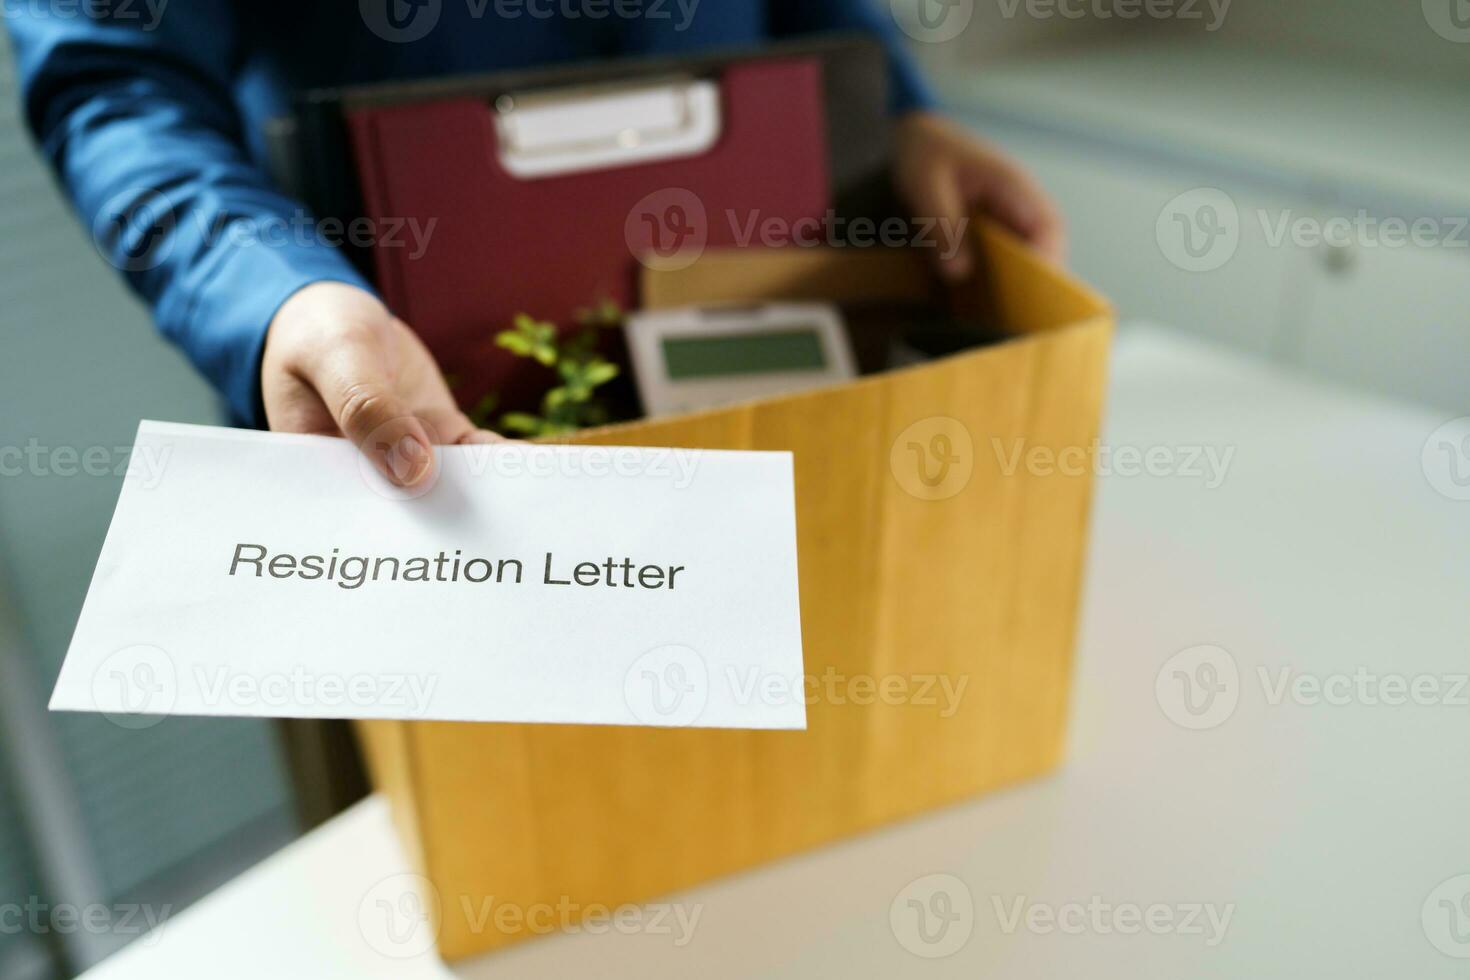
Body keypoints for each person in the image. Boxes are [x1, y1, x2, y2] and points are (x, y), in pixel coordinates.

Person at [5, 2, 1064, 489]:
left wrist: (889, 104)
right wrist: (275, 295)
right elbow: (116, 75)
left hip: (759, 313)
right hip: (401, 382)